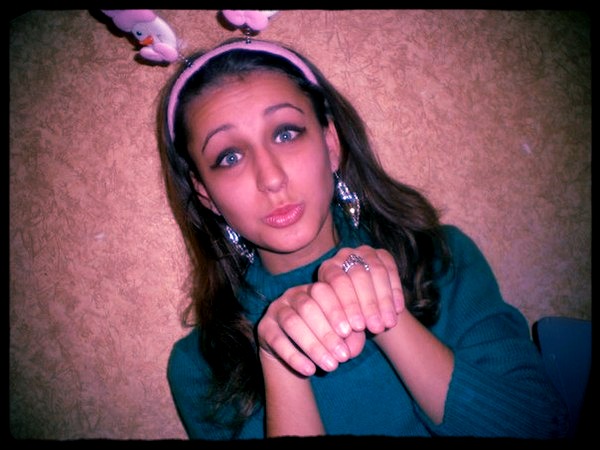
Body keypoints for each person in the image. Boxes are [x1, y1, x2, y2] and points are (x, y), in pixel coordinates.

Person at [159, 36, 568, 440]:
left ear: (331, 144)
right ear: (206, 194)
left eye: (285, 133)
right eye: (230, 157)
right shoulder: (200, 364)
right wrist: (280, 363)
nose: (271, 178)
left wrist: (385, 314)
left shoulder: (440, 258)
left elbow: (541, 429)